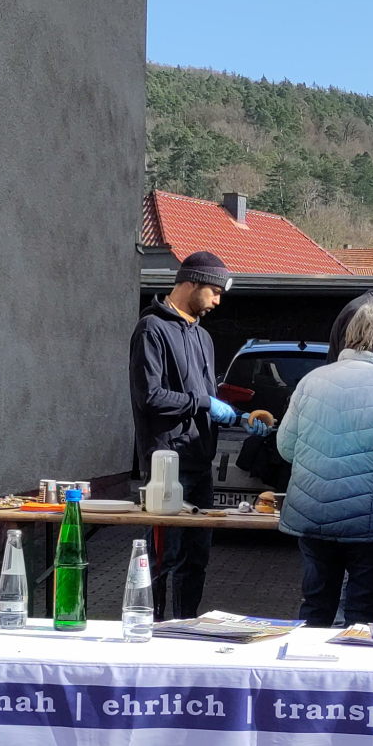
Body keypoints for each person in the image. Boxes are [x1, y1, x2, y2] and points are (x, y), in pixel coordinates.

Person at [277, 300, 373, 626]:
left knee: (315, 607)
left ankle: (309, 659)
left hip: (313, 516)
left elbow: (286, 448)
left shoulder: (311, 381)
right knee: (363, 614)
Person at [129, 249, 236, 617]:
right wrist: (204, 402)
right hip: (167, 468)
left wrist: (234, 416)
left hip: (200, 462)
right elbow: (150, 397)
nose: (218, 301)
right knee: (163, 558)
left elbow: (206, 399)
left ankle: (187, 627)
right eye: (214, 292)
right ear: (191, 283)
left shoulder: (203, 337)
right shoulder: (151, 329)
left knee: (195, 560)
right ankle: (154, 628)